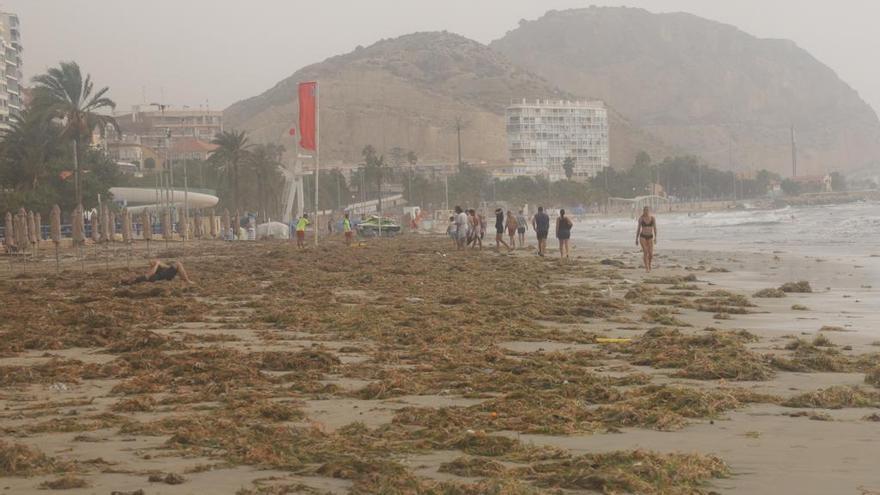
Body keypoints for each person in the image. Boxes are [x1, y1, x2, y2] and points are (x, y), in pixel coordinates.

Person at [123, 259, 192, 285]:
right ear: (130, 280)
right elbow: (150, 274)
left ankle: (169, 267)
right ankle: (187, 280)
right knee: (178, 264)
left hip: (159, 274)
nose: (129, 275)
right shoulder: (138, 279)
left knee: (153, 262)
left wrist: (156, 264)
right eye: (128, 277)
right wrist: (157, 264)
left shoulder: (137, 278)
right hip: (161, 276)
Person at [636, 206, 657, 272]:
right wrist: (636, 238)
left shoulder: (652, 218)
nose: (646, 211)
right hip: (643, 236)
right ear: (643, 211)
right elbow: (638, 229)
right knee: (645, 251)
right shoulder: (641, 219)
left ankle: (649, 265)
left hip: (650, 237)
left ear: (649, 211)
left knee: (651, 254)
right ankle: (647, 268)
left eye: (647, 210)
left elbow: (655, 228)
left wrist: (656, 237)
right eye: (645, 210)